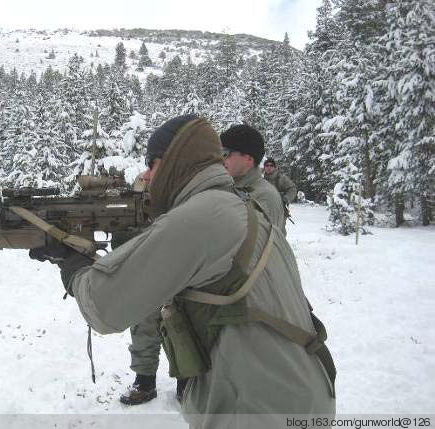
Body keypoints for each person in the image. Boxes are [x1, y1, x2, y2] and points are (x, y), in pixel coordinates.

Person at [32, 115, 336, 427]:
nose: (148, 175)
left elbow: (104, 308)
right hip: (293, 395)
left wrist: (71, 263)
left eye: (152, 163)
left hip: (259, 408)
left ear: (174, 161)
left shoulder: (203, 216)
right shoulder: (237, 206)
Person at [220, 124, 286, 234]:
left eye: (225, 154)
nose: (221, 159)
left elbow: (265, 246)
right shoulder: (227, 187)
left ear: (249, 159)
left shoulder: (265, 197)